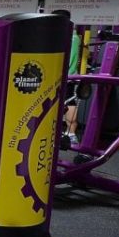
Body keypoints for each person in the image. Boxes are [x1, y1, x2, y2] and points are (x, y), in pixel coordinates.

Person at [52, 10, 81, 145]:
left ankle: (70, 133)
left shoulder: (65, 36)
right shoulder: (74, 37)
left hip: (63, 75)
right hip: (69, 75)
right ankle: (70, 133)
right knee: (68, 102)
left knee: (67, 102)